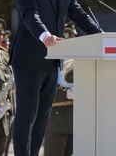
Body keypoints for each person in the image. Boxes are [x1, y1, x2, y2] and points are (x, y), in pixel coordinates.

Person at [11, 0, 101, 156]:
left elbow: (77, 13)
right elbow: (29, 13)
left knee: (42, 116)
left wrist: (100, 35)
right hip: (29, 58)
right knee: (27, 114)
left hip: (54, 59)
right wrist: (45, 35)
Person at [44, 23, 77, 156]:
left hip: (76, 117)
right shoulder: (49, 63)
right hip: (57, 118)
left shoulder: (78, 61)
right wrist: (65, 94)